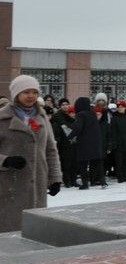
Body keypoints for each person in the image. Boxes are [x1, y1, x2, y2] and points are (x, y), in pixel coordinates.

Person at [0, 75, 62, 232]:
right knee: (10, 232)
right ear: (16, 94)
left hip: (37, 183)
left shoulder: (41, 116)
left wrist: (55, 178)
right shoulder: (2, 118)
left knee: (34, 232)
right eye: (26, 92)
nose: (31, 96)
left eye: (34, 92)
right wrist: (5, 161)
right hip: (9, 184)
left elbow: (50, 150)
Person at [70, 97, 105, 189]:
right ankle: (103, 182)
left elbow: (78, 128)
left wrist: (69, 135)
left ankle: (85, 184)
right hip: (95, 143)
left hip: (84, 143)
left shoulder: (81, 115)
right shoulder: (92, 114)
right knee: (98, 163)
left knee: (83, 164)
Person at [51, 98, 77, 188]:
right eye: (63, 105)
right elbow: (60, 128)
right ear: (60, 106)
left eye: (66, 104)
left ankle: (74, 180)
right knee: (66, 163)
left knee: (74, 162)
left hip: (73, 142)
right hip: (63, 143)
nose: (65, 106)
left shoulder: (71, 114)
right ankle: (67, 181)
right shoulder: (58, 116)